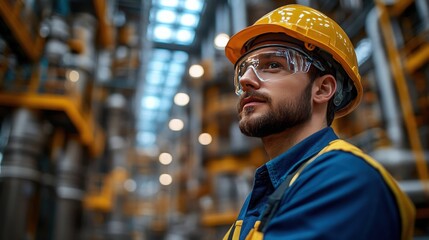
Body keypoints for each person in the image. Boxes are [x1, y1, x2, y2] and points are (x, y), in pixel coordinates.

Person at [222, 4, 415, 240]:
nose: (245, 80)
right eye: (243, 68)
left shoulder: (343, 181)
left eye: (273, 65)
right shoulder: (273, 186)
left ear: (323, 89)